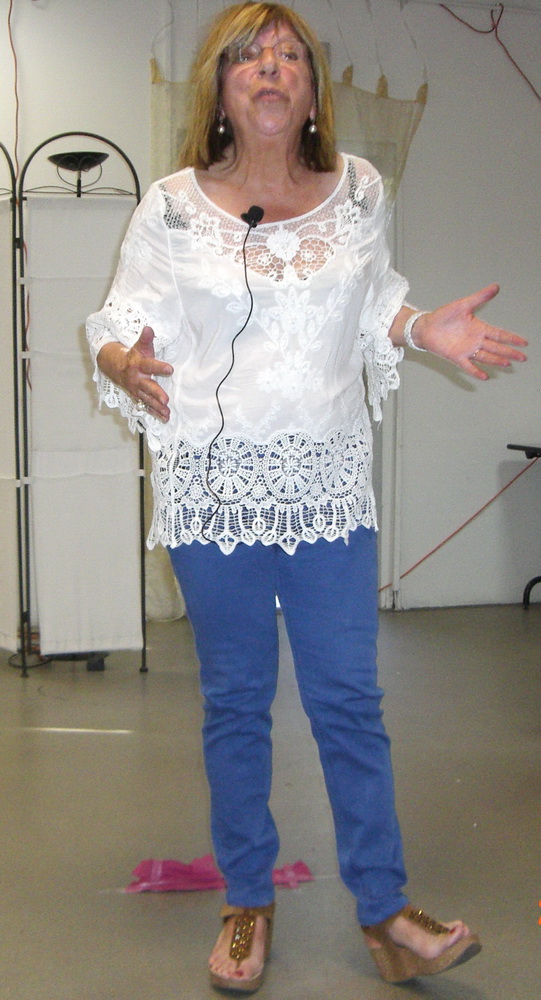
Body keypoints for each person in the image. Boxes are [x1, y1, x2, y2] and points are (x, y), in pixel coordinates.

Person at [86, 3, 528, 993]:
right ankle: (248, 901)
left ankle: (385, 910)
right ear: (220, 87)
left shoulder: (358, 189)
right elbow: (115, 318)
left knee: (347, 700)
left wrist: (423, 329)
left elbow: (377, 304)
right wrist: (121, 360)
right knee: (237, 704)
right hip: (213, 490)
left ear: (312, 90)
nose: (271, 68)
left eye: (290, 55)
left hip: (325, 486)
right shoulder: (171, 206)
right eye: (249, 56)